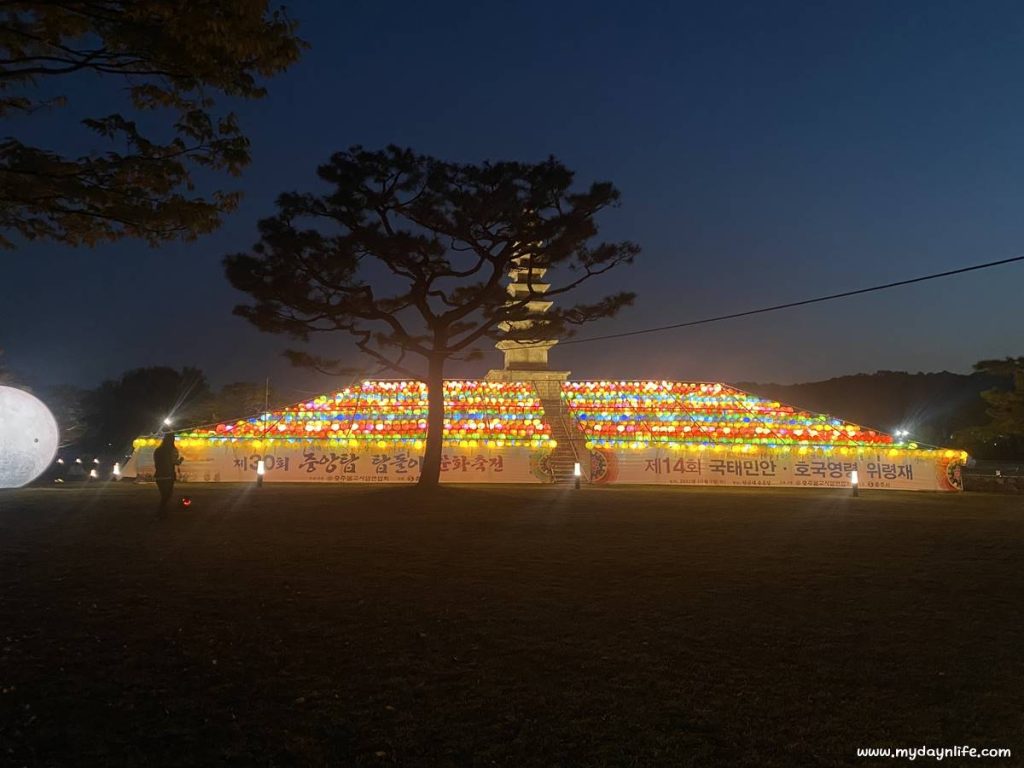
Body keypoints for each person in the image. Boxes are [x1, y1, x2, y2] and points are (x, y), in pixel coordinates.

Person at [153, 432, 180, 514]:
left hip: (159, 475)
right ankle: (161, 511)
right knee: (167, 495)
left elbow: (156, 462)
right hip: (168, 475)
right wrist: (181, 460)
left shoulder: (158, 450)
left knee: (164, 495)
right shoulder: (172, 450)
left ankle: (162, 511)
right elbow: (175, 462)